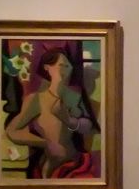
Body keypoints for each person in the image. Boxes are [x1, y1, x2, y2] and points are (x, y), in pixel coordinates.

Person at [5, 47, 97, 178]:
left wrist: (69, 120)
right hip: (49, 167)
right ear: (47, 67)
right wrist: (45, 142)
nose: (65, 69)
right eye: (61, 65)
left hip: (77, 164)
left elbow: (89, 127)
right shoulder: (36, 99)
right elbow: (12, 131)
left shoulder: (75, 97)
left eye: (67, 66)